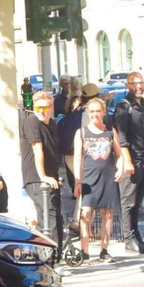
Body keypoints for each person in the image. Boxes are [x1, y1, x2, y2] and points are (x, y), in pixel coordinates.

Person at [74, 97, 129, 264]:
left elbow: (119, 155)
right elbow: (78, 159)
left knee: (107, 214)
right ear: (87, 113)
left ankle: (104, 250)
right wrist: (78, 181)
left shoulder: (110, 132)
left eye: (98, 111)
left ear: (103, 112)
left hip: (108, 178)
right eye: (92, 111)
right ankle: (84, 251)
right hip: (89, 179)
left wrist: (120, 169)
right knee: (86, 214)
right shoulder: (81, 133)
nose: (95, 114)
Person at [110, 71, 144, 254]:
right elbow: (121, 136)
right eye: (135, 83)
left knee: (137, 203)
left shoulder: (142, 104)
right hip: (132, 160)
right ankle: (129, 239)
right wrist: (127, 161)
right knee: (128, 202)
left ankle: (137, 236)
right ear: (128, 86)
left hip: (143, 159)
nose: (139, 86)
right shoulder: (124, 105)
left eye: (141, 83)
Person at [19, 90, 63, 255]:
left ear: (51, 107)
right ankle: (51, 257)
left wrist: (54, 176)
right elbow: (38, 149)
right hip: (37, 178)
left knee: (55, 216)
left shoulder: (51, 124)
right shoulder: (32, 122)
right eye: (39, 108)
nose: (42, 111)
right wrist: (44, 176)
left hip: (50, 177)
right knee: (48, 216)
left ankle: (45, 253)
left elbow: (53, 151)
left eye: (46, 107)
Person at [54, 84, 92, 261]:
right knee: (84, 186)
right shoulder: (88, 116)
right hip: (83, 154)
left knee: (80, 185)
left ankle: (78, 219)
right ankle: (78, 221)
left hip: (68, 154)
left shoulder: (73, 114)